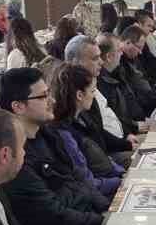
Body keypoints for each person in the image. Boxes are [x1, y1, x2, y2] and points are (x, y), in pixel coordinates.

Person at [0, 68, 107, 225]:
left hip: (86, 222)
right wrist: (103, 222)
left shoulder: (47, 132)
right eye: (43, 96)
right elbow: (54, 215)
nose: (52, 100)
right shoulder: (16, 159)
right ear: (18, 106)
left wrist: (106, 208)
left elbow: (77, 178)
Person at [48, 64, 124, 199]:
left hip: (109, 178)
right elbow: (88, 182)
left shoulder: (81, 117)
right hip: (101, 192)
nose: (94, 96)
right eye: (93, 91)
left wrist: (120, 173)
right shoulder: (64, 133)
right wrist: (119, 181)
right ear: (79, 95)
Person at [66, 35, 138, 153]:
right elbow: (94, 138)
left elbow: (99, 128)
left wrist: (126, 138)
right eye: (95, 58)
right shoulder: (75, 93)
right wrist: (126, 144)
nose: (101, 61)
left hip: (119, 143)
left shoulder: (93, 80)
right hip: (108, 156)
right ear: (75, 62)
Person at [94, 34, 145, 138]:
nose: (122, 54)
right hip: (125, 135)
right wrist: (134, 127)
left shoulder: (116, 72)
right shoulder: (100, 82)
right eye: (119, 50)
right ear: (108, 57)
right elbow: (113, 118)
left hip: (131, 127)